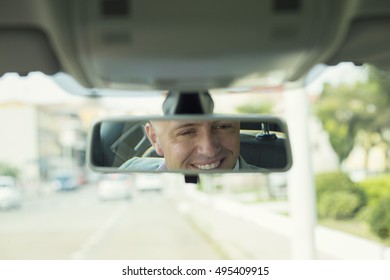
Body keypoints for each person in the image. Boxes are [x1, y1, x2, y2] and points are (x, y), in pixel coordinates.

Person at [120, 119, 261, 171]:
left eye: (223, 126)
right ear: (155, 139)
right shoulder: (130, 170)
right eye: (186, 132)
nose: (209, 150)